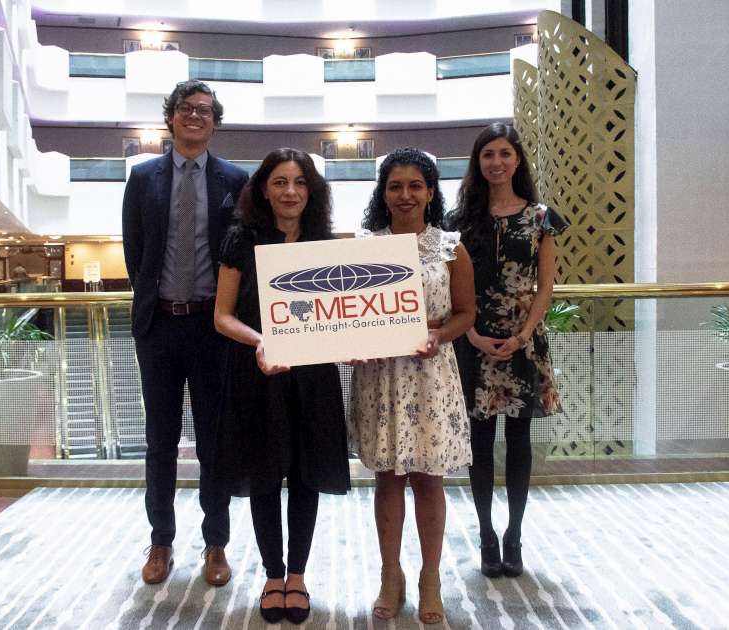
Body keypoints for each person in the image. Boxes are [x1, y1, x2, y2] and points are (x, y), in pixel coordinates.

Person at [213, 148, 350, 624]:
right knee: (265, 476)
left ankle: (298, 575)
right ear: (263, 190)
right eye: (280, 182)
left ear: (311, 191)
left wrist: (353, 340)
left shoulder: (323, 242)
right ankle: (273, 576)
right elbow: (222, 316)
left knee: (307, 475)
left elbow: (339, 314)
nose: (290, 191)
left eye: (299, 182)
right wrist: (261, 341)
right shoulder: (240, 239)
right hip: (259, 373)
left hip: (313, 376)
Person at [121, 80, 248, 586]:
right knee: (160, 441)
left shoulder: (235, 179)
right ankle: (161, 541)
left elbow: (240, 252)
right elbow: (135, 252)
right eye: (185, 108)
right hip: (159, 328)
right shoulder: (142, 177)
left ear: (215, 123)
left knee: (215, 441)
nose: (194, 115)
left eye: (204, 110)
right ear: (171, 117)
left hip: (213, 328)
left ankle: (216, 543)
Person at [347, 147, 476, 624]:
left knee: (428, 477)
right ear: (383, 193)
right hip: (380, 374)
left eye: (415, 186)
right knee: (387, 476)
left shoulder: (450, 247)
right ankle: (390, 575)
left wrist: (439, 335)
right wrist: (350, 342)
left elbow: (466, 312)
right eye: (395, 186)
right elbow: (345, 314)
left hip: (430, 374)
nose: (405, 195)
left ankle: (430, 578)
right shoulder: (364, 247)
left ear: (430, 192)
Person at [446, 122, 569, 579]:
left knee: (519, 440)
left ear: (517, 159)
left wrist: (523, 335)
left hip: (523, 342)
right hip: (472, 339)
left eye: (504, 153)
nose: (496, 162)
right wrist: (472, 334)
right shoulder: (458, 221)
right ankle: (486, 534)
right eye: (487, 155)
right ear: (477, 163)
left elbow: (545, 286)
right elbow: (448, 286)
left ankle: (514, 534)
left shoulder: (542, 218)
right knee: (478, 442)